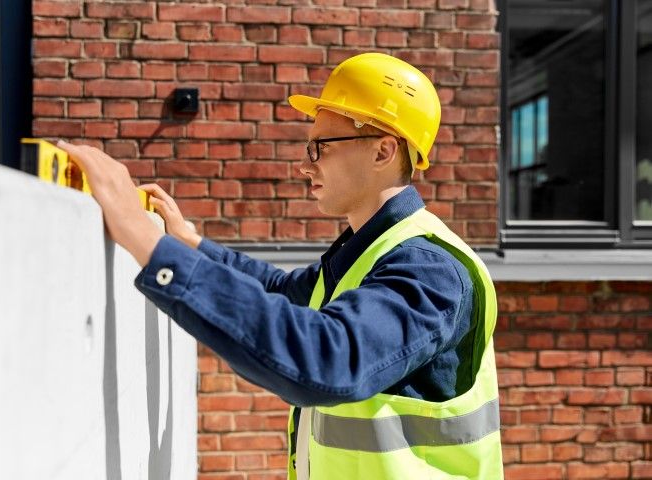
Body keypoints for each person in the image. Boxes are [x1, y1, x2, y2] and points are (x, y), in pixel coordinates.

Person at [57, 52, 503, 479]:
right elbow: (282, 290)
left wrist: (148, 243)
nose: (305, 165)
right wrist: (190, 243)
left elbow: (328, 359)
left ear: (383, 152)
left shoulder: (430, 269)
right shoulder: (371, 253)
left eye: (320, 148)